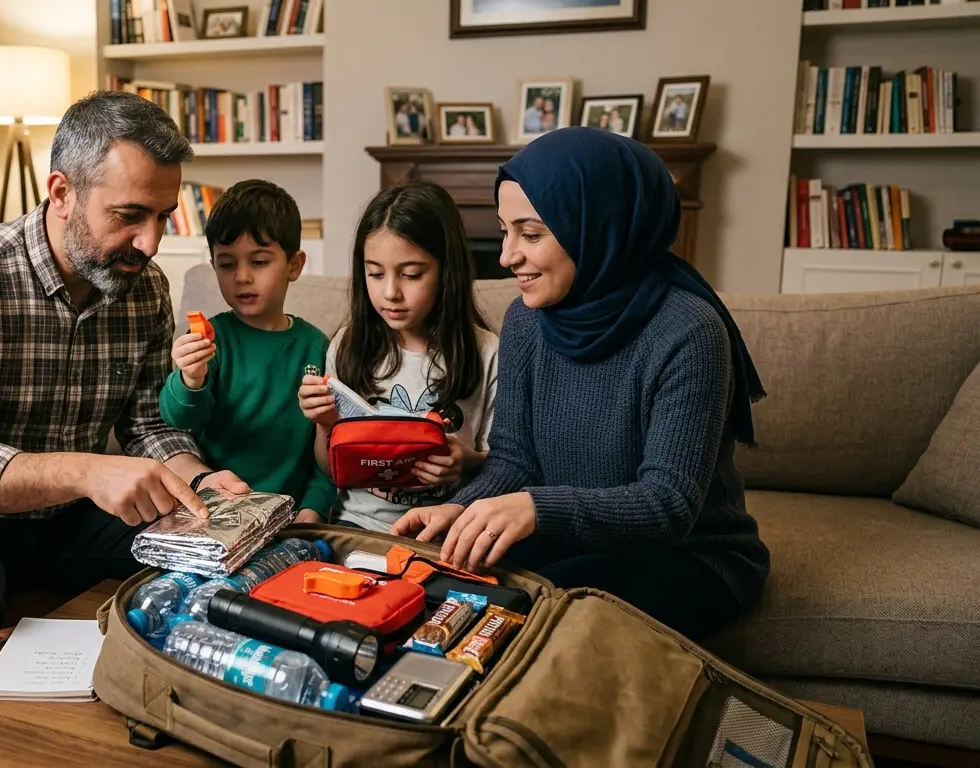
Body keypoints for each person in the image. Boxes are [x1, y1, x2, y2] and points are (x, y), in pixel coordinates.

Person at [0, 91, 248, 699]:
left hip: (67, 519)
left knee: (204, 558)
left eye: (163, 216)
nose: (151, 243)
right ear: (62, 193)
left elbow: (151, 427)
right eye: (129, 216)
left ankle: (144, 712)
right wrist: (89, 472)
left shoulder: (144, 288)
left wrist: (200, 484)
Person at [392, 128, 770, 641]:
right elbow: (515, 462)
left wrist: (535, 508)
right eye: (504, 231)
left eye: (530, 234)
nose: (506, 256)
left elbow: (668, 504)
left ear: (597, 226)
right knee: (437, 588)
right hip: (575, 538)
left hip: (690, 555)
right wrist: (460, 509)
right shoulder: (526, 321)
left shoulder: (690, 331)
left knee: (538, 620)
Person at [298, 182, 499, 533]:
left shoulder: (488, 353)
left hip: (443, 532)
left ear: (446, 270)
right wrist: (325, 423)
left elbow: (508, 468)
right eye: (375, 273)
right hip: (354, 526)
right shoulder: (348, 344)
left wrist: (465, 463)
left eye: (411, 275)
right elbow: (331, 470)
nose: (390, 292)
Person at [160, 180, 335, 524]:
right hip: (215, 509)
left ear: (294, 265)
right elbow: (178, 422)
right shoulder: (212, 339)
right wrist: (190, 378)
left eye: (258, 262)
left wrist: (313, 509)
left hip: (292, 516)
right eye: (226, 265)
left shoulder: (317, 346)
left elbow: (328, 448)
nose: (242, 277)